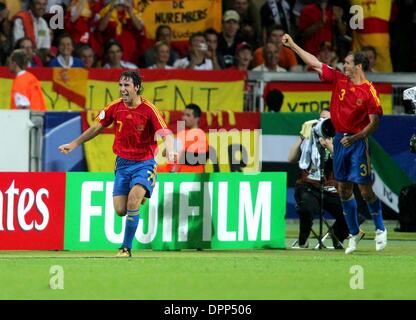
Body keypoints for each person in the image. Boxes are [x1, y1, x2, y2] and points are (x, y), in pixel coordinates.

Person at [282, 33, 387, 254]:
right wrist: (293, 45)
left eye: (348, 63)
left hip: (357, 142)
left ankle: (380, 229)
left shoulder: (369, 93)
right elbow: (315, 63)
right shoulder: (339, 80)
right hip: (339, 140)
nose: (343, 65)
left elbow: (374, 124)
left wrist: (357, 138)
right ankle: (354, 233)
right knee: (343, 190)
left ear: (358, 66)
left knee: (365, 190)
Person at [58, 70, 175, 257]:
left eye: (126, 85)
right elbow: (96, 127)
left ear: (136, 87)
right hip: (122, 164)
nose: (122, 89)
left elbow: (165, 132)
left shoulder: (149, 109)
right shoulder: (115, 107)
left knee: (133, 201)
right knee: (121, 210)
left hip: (144, 163)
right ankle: (141, 193)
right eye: (120, 85)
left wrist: (170, 148)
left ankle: (125, 248)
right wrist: (74, 144)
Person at [288, 108, 349, 249]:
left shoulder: (339, 139)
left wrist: (329, 145)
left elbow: (343, 163)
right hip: (308, 186)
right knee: (306, 208)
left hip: (330, 187)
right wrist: (301, 137)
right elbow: (290, 158)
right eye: (321, 119)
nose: (324, 123)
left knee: (353, 212)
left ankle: (336, 236)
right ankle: (303, 240)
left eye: (328, 120)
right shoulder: (309, 138)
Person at [169, 104, 208, 173]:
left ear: (197, 118)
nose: (184, 118)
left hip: (192, 177)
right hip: (177, 175)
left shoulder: (200, 135)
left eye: (188, 115)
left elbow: (200, 158)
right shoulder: (181, 133)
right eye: (183, 115)